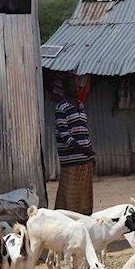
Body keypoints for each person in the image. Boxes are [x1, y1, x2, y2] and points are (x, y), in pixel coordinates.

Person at [54, 76, 96, 214]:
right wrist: (81, 149)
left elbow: (84, 131)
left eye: (77, 87)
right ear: (65, 89)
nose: (76, 90)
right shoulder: (61, 108)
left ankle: (83, 219)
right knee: (69, 195)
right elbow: (63, 134)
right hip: (71, 160)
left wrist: (90, 154)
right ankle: (64, 218)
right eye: (73, 87)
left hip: (85, 159)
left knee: (84, 195)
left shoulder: (80, 105)